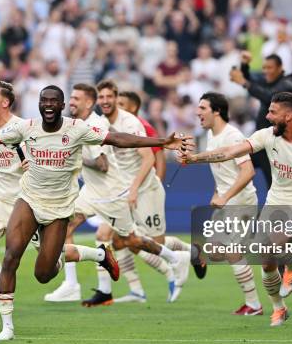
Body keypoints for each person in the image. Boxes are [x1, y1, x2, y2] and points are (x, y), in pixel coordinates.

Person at [0, 85, 190, 340]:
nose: (48, 105)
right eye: (44, 101)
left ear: (61, 106)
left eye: (53, 101)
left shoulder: (78, 129)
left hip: (60, 209)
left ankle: (100, 255)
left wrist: (162, 141)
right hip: (27, 200)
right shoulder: (27, 127)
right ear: (39, 105)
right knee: (11, 255)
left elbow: (117, 138)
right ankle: (6, 325)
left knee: (44, 274)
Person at [179, 91, 292, 326]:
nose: (267, 116)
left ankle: (290, 265)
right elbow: (230, 152)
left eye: (272, 112)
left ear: (288, 116)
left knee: (274, 242)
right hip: (275, 202)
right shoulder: (267, 136)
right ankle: (279, 307)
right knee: (265, 258)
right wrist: (195, 158)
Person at [44, 84, 190, 306]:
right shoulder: (78, 124)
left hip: (111, 194)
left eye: (75, 99)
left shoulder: (96, 125)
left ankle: (175, 257)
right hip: (91, 192)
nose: (70, 102)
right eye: (70, 98)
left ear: (88, 103)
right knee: (64, 225)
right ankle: (72, 285)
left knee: (128, 241)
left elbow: (102, 164)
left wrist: (74, 159)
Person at [96, 80, 192, 304]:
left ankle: (187, 253)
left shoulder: (138, 126)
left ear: (132, 107)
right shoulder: (102, 123)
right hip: (124, 190)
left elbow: (153, 158)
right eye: (106, 99)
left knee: (152, 241)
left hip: (144, 189)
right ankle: (136, 289)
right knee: (114, 239)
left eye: (118, 101)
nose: (112, 104)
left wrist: (142, 188)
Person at [195, 92, 263, 315]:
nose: (198, 112)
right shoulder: (211, 136)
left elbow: (248, 171)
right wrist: (217, 193)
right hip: (226, 202)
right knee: (214, 252)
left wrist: (226, 196)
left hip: (241, 202)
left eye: (203, 108)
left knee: (232, 250)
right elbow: (223, 173)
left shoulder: (232, 136)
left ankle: (254, 305)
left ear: (217, 111)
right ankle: (259, 248)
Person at [230, 52, 292, 189]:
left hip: (277, 145)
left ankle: (280, 210)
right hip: (262, 143)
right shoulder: (270, 81)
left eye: (269, 68)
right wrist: (244, 65)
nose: (265, 71)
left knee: (274, 185)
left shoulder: (287, 83)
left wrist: (244, 83)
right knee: (236, 170)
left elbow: (269, 97)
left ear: (280, 68)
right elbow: (251, 80)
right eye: (264, 68)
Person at [117, 91, 166, 181]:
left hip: (146, 183)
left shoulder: (145, 127)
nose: (117, 108)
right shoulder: (117, 126)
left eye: (121, 104)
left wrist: (158, 183)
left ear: (133, 107)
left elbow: (160, 157)